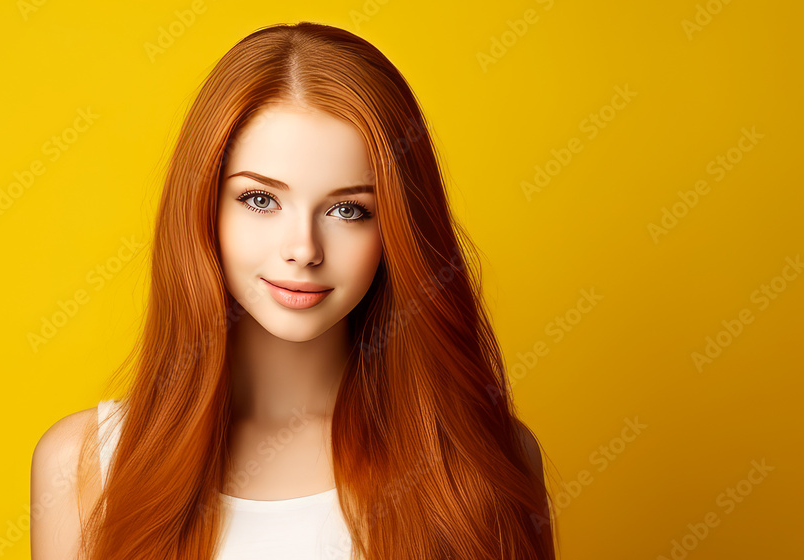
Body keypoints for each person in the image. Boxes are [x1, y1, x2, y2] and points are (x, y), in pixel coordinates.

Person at [31, 21, 557, 560]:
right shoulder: (83, 466)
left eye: (348, 210)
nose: (303, 248)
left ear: (397, 229)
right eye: (260, 200)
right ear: (202, 206)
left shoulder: (485, 463)